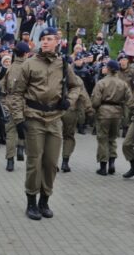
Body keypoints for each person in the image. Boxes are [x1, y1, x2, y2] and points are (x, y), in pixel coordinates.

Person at [9, 27, 81, 220]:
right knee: (35, 161)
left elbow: (76, 86)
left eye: (50, 39)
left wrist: (69, 100)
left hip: (55, 119)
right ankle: (31, 201)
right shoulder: (29, 64)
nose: (47, 42)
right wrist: (18, 118)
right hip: (34, 117)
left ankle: (44, 200)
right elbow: (16, 93)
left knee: (50, 163)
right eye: (44, 39)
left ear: (57, 42)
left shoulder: (63, 64)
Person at [91, 60, 134, 175]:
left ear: (108, 69)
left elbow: (95, 101)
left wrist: (94, 109)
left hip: (104, 112)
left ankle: (103, 166)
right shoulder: (123, 83)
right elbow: (130, 100)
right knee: (113, 139)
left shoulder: (101, 83)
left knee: (102, 138)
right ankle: (112, 163)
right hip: (117, 113)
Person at [3, 42, 30, 172]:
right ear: (26, 54)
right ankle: (21, 146)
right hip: (23, 102)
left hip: (9, 102)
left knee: (10, 132)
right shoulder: (28, 67)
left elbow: (3, 85)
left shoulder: (10, 67)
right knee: (24, 128)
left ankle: (10, 160)